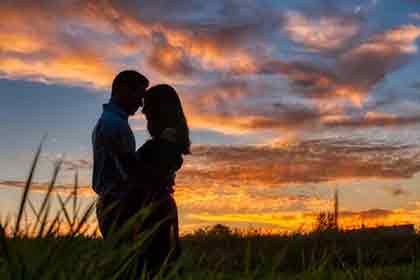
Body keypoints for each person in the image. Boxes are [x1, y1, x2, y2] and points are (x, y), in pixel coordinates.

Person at [128, 84, 191, 275]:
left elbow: (148, 176)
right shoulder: (167, 139)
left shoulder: (165, 142)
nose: (144, 111)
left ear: (159, 109)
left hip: (155, 211)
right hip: (157, 208)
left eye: (148, 107)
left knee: (156, 264)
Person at [92, 70, 149, 238]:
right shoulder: (114, 124)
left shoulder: (110, 121)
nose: (140, 104)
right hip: (119, 207)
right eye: (139, 95)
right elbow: (130, 171)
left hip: (113, 205)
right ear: (123, 90)